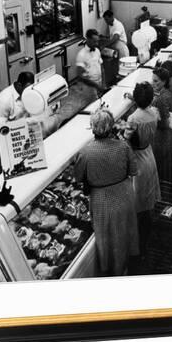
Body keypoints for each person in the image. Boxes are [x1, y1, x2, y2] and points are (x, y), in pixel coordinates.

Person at [74, 109, 139, 276]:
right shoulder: (123, 146)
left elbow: (78, 177)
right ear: (111, 127)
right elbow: (134, 170)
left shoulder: (86, 152)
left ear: (93, 127)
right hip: (124, 195)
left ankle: (108, 269)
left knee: (105, 237)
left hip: (101, 200)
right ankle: (123, 268)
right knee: (123, 233)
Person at [124, 82, 160, 257]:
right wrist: (136, 100)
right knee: (148, 197)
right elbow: (146, 108)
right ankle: (148, 233)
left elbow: (126, 139)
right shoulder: (154, 113)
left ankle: (137, 244)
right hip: (149, 154)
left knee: (137, 201)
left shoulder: (133, 119)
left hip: (137, 160)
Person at [151, 67, 172, 181]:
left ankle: (162, 195)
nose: (153, 83)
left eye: (156, 81)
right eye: (153, 80)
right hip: (168, 136)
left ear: (164, 81)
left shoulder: (160, 99)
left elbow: (165, 123)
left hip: (161, 137)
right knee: (165, 166)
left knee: (160, 167)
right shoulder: (167, 93)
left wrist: (154, 121)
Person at [75, 29, 105, 105]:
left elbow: (101, 67)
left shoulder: (97, 51)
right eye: (94, 41)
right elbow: (81, 76)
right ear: (87, 39)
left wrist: (103, 84)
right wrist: (96, 86)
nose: (96, 43)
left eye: (97, 41)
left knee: (100, 104)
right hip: (89, 88)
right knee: (92, 106)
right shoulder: (81, 55)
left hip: (99, 83)